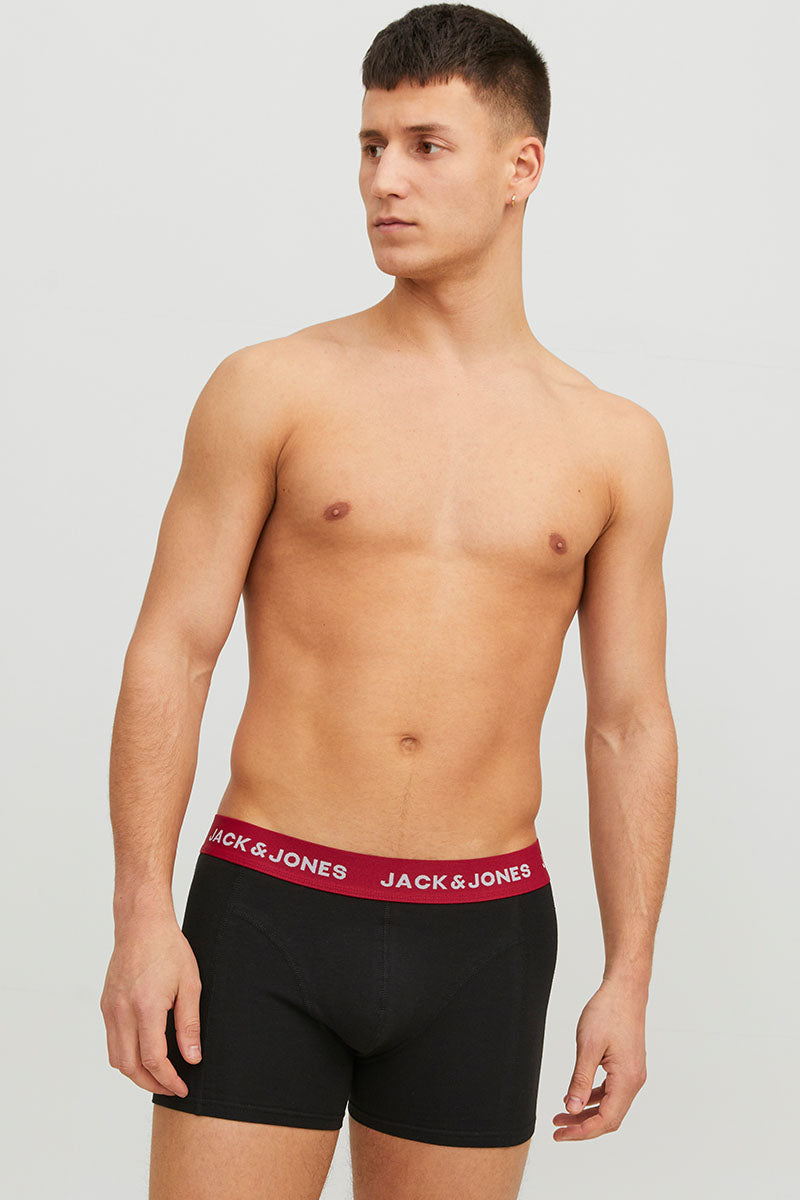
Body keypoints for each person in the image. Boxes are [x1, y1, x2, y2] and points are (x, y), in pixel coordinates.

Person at [99, 5, 678, 1199]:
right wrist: (142, 914)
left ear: (520, 167)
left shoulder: (613, 444)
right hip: (267, 910)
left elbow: (627, 721)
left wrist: (628, 977)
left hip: (484, 936)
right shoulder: (272, 388)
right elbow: (174, 648)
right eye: (369, 145)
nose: (383, 179)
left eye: (424, 146)